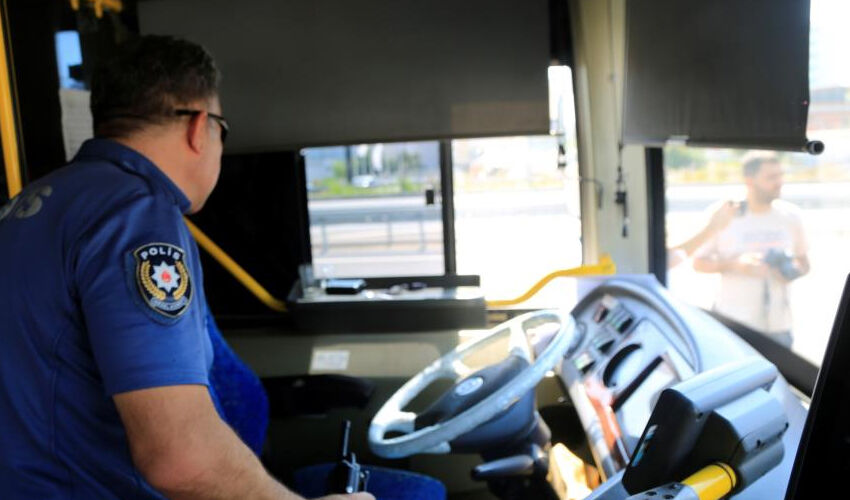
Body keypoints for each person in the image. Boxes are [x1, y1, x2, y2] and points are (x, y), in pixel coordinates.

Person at [0, 35, 372, 500]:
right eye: (223, 130)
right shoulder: (136, 216)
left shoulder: (26, 207)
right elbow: (180, 458)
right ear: (200, 126)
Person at [692, 152, 810, 347]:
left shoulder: (791, 216)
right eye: (771, 177)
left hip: (779, 328)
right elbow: (697, 262)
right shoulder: (725, 214)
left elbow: (804, 263)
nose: (779, 182)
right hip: (734, 326)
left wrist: (792, 271)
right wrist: (736, 265)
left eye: (780, 175)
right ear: (750, 181)